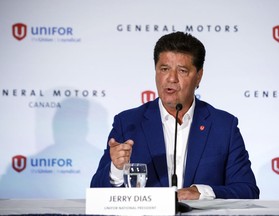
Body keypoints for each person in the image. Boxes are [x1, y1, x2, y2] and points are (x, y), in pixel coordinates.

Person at [90, 31, 260, 200]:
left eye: (182, 71)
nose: (171, 78)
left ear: (199, 76)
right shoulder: (127, 123)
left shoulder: (223, 126)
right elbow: (96, 192)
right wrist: (117, 169)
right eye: (164, 69)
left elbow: (248, 190)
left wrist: (202, 193)